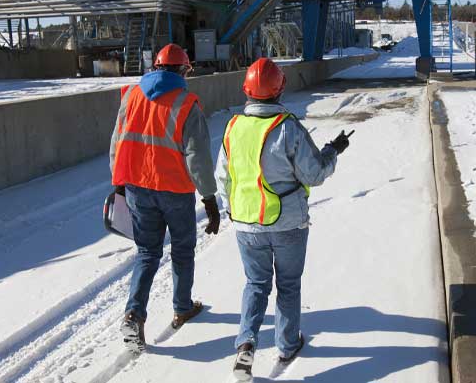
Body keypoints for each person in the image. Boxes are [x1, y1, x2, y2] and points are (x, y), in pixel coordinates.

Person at [214, 58, 352, 381]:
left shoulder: (233, 128)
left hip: (247, 225)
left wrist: (233, 211)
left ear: (247, 91)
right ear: (279, 90)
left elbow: (223, 177)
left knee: (256, 284)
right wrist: (334, 150)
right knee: (287, 285)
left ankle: (246, 344)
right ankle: (288, 344)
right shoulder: (288, 127)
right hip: (288, 224)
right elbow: (315, 173)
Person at [110, 43, 221, 353]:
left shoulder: (132, 95)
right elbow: (197, 157)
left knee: (147, 252)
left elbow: (117, 143)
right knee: (183, 250)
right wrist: (209, 199)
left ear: (156, 67)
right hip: (174, 190)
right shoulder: (187, 103)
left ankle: (134, 313)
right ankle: (182, 306)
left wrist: (119, 182)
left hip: (136, 188)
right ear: (183, 70)